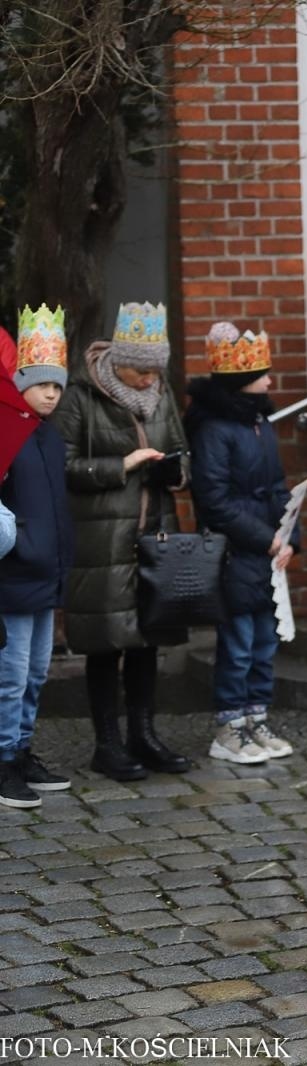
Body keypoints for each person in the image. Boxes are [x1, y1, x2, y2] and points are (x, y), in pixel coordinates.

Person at [55, 302, 192, 781]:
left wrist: (175, 472)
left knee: (146, 640)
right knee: (104, 643)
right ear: (118, 360)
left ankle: (144, 734)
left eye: (154, 372)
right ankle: (107, 744)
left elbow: (181, 447)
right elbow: (63, 466)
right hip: (101, 540)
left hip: (154, 532)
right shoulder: (81, 396)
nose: (146, 381)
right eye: (139, 371)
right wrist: (124, 466)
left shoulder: (160, 391)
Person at [185, 323, 297, 766]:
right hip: (237, 552)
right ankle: (230, 727)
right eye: (262, 373)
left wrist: (291, 537)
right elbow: (214, 501)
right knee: (238, 643)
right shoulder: (214, 430)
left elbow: (277, 484)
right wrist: (265, 536)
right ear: (240, 380)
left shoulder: (258, 423)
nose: (270, 381)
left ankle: (256, 718)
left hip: (268, 552)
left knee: (264, 642)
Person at [0, 306, 74, 808]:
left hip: (46, 572)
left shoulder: (50, 435)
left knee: (36, 672)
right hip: (14, 574)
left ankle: (22, 748)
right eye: (42, 384)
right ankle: (3, 758)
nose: (51, 393)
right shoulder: (7, 432)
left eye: (58, 385)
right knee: (10, 674)